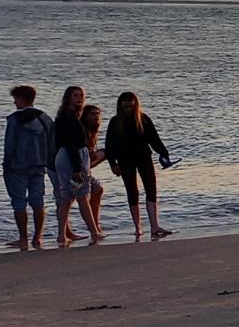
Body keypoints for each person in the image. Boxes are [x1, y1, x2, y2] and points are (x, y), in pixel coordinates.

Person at [104, 91, 174, 241]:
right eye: (125, 106)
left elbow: (154, 139)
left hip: (144, 158)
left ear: (135, 105)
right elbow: (109, 146)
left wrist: (164, 153)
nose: (128, 109)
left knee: (151, 189)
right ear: (120, 106)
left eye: (131, 105)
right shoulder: (115, 122)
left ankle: (154, 226)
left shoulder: (143, 119)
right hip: (125, 160)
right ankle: (137, 227)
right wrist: (112, 164)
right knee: (132, 192)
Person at [3, 86, 53, 250]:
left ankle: (23, 237)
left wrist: (6, 164)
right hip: (39, 164)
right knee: (38, 201)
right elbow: (52, 140)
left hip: (18, 165)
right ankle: (37, 237)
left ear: (22, 99)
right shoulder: (44, 117)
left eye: (16, 98)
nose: (14, 102)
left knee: (19, 202)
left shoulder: (14, 119)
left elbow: (10, 144)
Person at [51, 85, 88, 246]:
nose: (79, 98)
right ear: (68, 98)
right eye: (75, 95)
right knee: (75, 195)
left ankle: (63, 234)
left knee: (68, 196)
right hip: (70, 156)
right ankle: (91, 231)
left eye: (81, 96)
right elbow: (71, 144)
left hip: (68, 155)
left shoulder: (71, 117)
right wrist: (77, 168)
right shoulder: (67, 119)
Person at [77, 104, 109, 244]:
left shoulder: (92, 132)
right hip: (73, 168)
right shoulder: (80, 130)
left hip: (84, 167)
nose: (96, 117)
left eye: (98, 114)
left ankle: (95, 225)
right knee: (67, 199)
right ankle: (66, 231)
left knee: (97, 189)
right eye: (92, 114)